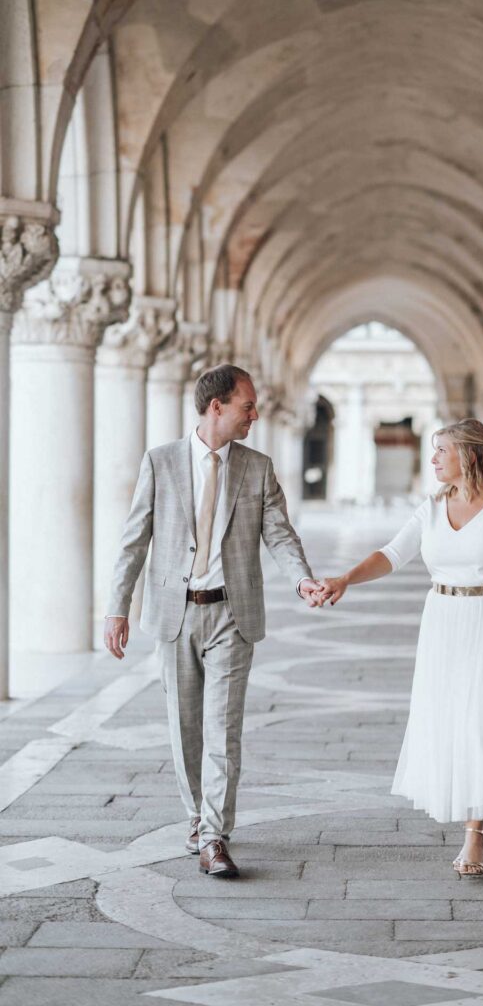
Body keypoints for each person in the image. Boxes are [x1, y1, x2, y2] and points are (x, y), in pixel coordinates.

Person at [317, 418, 483, 876]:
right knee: (450, 721)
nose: (432, 459)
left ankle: (474, 834)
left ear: (467, 454)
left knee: (481, 724)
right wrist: (345, 578)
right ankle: (469, 820)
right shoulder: (431, 507)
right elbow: (392, 554)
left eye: (441, 450)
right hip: (442, 623)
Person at [104, 364, 322, 878]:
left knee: (223, 728)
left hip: (232, 612)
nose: (255, 415)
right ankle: (196, 818)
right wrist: (117, 607)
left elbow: (280, 534)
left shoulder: (258, 467)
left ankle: (213, 836)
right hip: (174, 614)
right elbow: (134, 540)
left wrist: (302, 580)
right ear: (216, 406)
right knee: (185, 727)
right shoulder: (160, 462)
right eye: (247, 405)